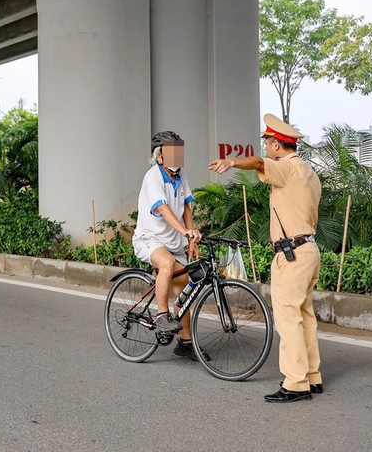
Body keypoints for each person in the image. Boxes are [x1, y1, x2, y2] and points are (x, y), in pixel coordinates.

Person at [209, 114, 322, 403]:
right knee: (304, 314)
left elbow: (259, 164)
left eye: (268, 143)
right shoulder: (310, 173)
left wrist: (232, 162)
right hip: (308, 249)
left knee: (287, 317)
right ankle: (312, 376)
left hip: (292, 254)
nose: (266, 149)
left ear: (276, 145)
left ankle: (296, 383)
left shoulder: (287, 168)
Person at [133, 131, 205, 360]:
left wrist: (190, 237)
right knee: (166, 263)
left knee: (184, 290)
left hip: (174, 243)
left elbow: (186, 207)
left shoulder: (180, 176)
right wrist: (184, 230)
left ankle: (185, 342)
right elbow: (163, 209)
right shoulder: (152, 177)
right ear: (160, 157)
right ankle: (162, 315)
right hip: (150, 238)